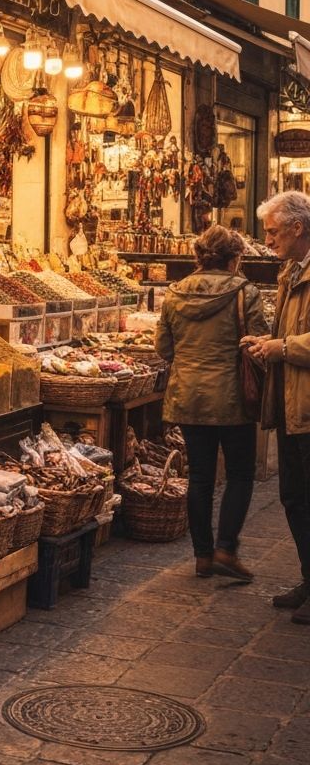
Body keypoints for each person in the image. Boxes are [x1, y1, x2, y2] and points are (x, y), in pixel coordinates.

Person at [155, 224, 268, 581]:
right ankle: (226, 549)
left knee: (200, 477)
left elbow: (164, 348)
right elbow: (258, 342)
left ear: (198, 256)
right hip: (233, 397)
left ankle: (202, 556)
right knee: (239, 474)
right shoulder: (244, 293)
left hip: (188, 396)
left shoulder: (174, 294)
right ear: (235, 258)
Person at [243, 191, 310, 623]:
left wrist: (280, 346)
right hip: (290, 403)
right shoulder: (291, 272)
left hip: (308, 407)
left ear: (297, 228)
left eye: (272, 231)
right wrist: (266, 345)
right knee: (294, 498)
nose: (266, 240)